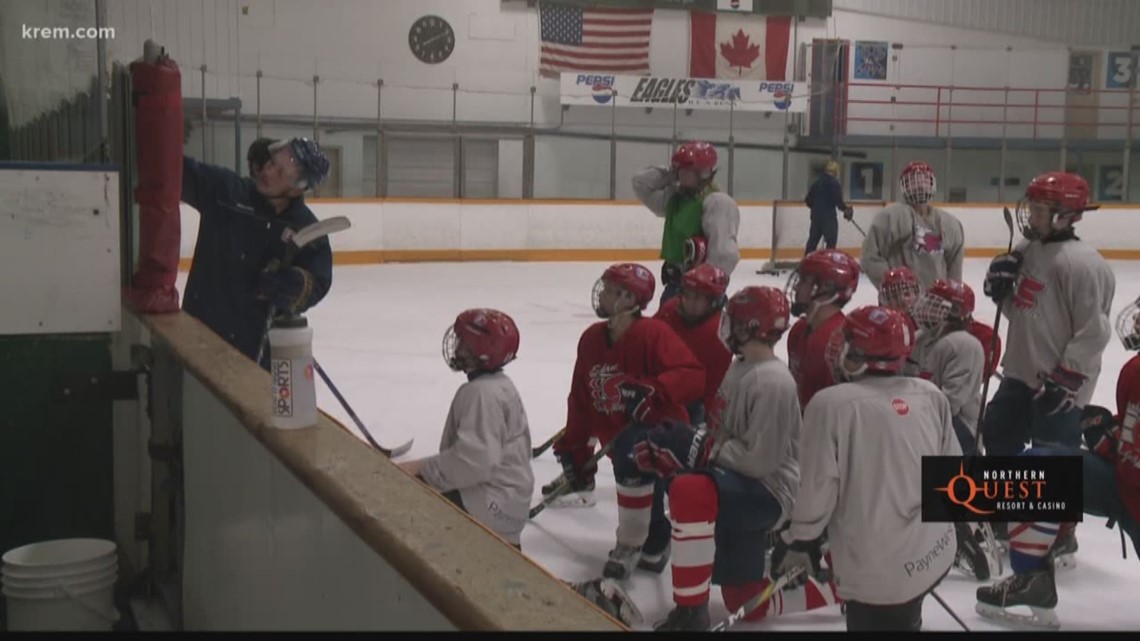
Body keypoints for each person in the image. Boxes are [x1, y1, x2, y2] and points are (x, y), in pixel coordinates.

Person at [773, 306, 961, 632]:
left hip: (876, 574)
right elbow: (954, 479)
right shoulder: (931, 395)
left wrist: (801, 541)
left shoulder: (830, 405)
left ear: (858, 352)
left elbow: (818, 489)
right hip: (936, 553)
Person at [635, 286, 801, 631]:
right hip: (740, 481)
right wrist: (689, 454)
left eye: (734, 321)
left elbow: (759, 463)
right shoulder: (740, 366)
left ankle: (691, 611)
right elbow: (722, 435)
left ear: (751, 327)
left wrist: (701, 454)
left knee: (689, 491)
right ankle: (840, 589)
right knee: (745, 601)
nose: (725, 326)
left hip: (768, 492)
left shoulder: (772, 382)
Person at [974, 301, 1140, 628]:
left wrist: (1114, 444)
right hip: (1125, 486)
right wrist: (1115, 432)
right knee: (1039, 467)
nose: (1136, 321)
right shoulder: (1133, 371)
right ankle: (1034, 581)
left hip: (1132, 492)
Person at [980, 171, 1115, 548]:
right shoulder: (1027, 248)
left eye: (1040, 209)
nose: (1031, 216)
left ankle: (1061, 531)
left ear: (1066, 215)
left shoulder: (1085, 265)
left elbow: (1095, 331)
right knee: (999, 432)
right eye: (1033, 206)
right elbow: (1025, 313)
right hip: (1020, 371)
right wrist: (1000, 292)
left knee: (1053, 457)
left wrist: (1068, 377)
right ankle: (1010, 510)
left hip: (1060, 381)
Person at [547, 263, 705, 581]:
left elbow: (693, 376)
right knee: (630, 467)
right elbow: (581, 398)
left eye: (609, 289)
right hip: (618, 439)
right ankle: (648, 538)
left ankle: (641, 542)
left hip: (662, 438)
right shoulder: (591, 339)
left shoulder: (652, 333)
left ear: (628, 297)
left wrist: (655, 391)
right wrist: (575, 447)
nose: (601, 294)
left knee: (640, 469)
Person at [181, 137, 334, 370]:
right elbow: (177, 171)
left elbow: (317, 282)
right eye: (271, 162)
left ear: (297, 188)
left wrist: (293, 285)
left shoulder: (306, 230)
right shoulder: (227, 192)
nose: (268, 172)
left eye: (280, 172)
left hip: (255, 356)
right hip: (199, 338)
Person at [398, 309, 534, 551]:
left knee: (404, 499)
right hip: (508, 501)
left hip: (492, 503)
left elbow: (476, 462)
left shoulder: (481, 394)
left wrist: (421, 469)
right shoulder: (499, 386)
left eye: (462, 341)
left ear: (480, 350)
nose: (456, 346)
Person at [909, 279, 1001, 582]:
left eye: (936, 303)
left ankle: (962, 531)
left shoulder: (965, 344)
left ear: (958, 312)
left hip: (958, 428)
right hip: (929, 420)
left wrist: (907, 422)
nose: (926, 307)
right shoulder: (924, 338)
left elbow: (950, 402)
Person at [632, 141, 741, 305]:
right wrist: (670, 173)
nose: (680, 175)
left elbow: (724, 254)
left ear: (703, 173)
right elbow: (640, 183)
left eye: (686, 171)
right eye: (679, 170)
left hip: (699, 292)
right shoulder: (675, 199)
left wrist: (703, 289)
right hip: (675, 286)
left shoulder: (716, 202)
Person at [860, 161, 965, 291]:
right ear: (904, 187)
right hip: (898, 304)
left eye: (924, 180)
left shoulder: (949, 224)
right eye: (913, 182)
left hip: (937, 305)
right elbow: (869, 257)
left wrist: (953, 297)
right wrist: (894, 288)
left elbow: (954, 270)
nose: (920, 185)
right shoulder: (890, 217)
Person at [653, 263, 733, 428]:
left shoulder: (721, 332)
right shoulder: (669, 311)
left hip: (698, 405)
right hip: (661, 394)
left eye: (697, 298)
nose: (689, 302)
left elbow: (713, 387)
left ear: (713, 300)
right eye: (687, 295)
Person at [785, 249, 861, 409]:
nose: (796, 287)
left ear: (826, 287)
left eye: (804, 281)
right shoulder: (798, 330)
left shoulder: (839, 342)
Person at [803, 159, 852, 254]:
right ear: (836, 171)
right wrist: (846, 209)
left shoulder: (816, 182)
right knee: (831, 242)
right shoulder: (835, 183)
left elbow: (808, 200)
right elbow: (838, 202)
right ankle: (828, 262)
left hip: (816, 217)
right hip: (829, 218)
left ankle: (806, 262)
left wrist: (817, 208)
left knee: (812, 242)